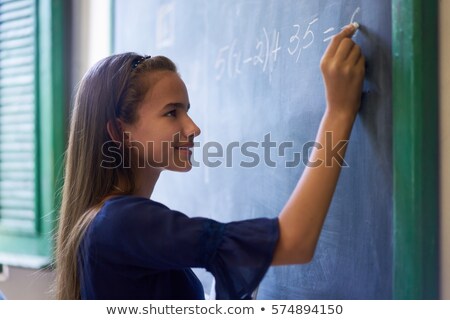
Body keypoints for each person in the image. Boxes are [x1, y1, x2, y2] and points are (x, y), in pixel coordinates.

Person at [55, 23, 365, 299]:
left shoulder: (105, 221)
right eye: (171, 112)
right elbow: (294, 242)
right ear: (119, 131)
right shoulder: (122, 222)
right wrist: (338, 112)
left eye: (186, 110)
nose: (193, 128)